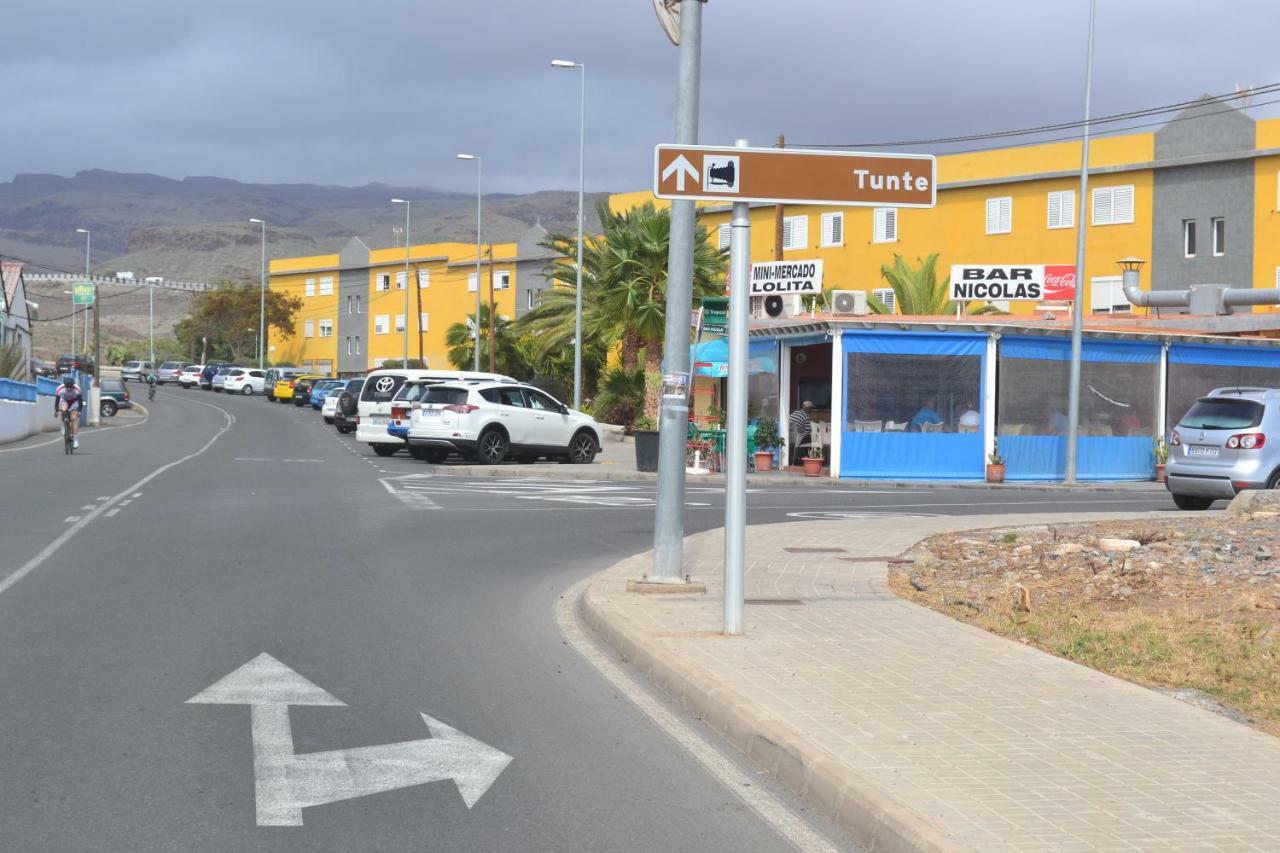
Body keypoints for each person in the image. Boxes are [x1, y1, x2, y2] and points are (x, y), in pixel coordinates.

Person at [54, 376, 83, 449]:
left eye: (71, 387)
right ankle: (64, 426)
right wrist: (56, 410)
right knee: (63, 409)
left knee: (74, 418)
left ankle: (76, 439)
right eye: (67, 387)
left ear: (73, 385)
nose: (69, 388)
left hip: (74, 401)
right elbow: (57, 401)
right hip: (64, 400)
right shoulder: (59, 389)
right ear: (64, 385)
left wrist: (79, 411)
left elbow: (80, 402)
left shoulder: (77, 389)